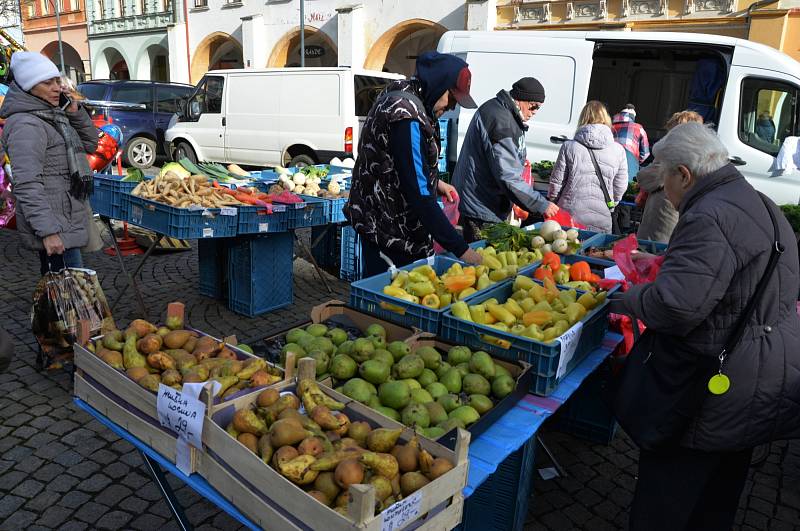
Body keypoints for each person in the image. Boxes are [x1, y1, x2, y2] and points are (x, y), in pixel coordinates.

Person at [617, 123, 800, 531]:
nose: (663, 186)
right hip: (757, 377)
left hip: (711, 385)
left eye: (665, 176)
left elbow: (676, 307)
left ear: (684, 174)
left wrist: (629, 298)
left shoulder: (709, 215)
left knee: (666, 501)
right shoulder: (758, 202)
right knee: (717, 499)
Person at [344, 51, 482, 277]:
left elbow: (400, 161)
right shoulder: (406, 116)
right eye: (452, 99)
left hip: (381, 218)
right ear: (439, 85)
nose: (451, 108)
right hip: (389, 231)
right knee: (388, 301)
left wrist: (435, 183)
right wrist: (461, 249)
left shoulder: (406, 95)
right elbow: (418, 193)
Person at [1, 52, 98, 275]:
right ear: (29, 86)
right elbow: (26, 184)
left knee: (66, 295)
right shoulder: (28, 124)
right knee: (68, 297)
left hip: (66, 219)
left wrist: (75, 112)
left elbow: (91, 144)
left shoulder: (53, 115)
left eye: (57, 81)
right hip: (55, 226)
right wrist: (48, 232)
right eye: (47, 83)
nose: (56, 88)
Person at [451, 77, 558, 242]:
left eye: (538, 108)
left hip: (484, 199)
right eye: (533, 106)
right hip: (482, 204)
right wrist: (540, 204)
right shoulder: (501, 120)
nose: (535, 112)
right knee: (483, 260)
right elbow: (507, 175)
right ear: (520, 99)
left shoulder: (503, 111)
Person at [548, 101, 627, 233]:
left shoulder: (569, 146)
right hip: (603, 216)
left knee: (565, 249)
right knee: (595, 252)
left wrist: (553, 201)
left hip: (570, 214)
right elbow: (621, 186)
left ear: (583, 118)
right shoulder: (618, 150)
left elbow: (556, 182)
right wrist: (611, 203)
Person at [636, 110, 704, 243]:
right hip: (675, 221)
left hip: (662, 223)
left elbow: (644, 178)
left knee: (653, 257)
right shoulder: (698, 157)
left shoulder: (672, 157)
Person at [612, 103, 650, 181]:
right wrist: (634, 162)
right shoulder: (638, 128)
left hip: (611, 163)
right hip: (629, 166)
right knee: (629, 189)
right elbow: (645, 153)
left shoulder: (610, 127)